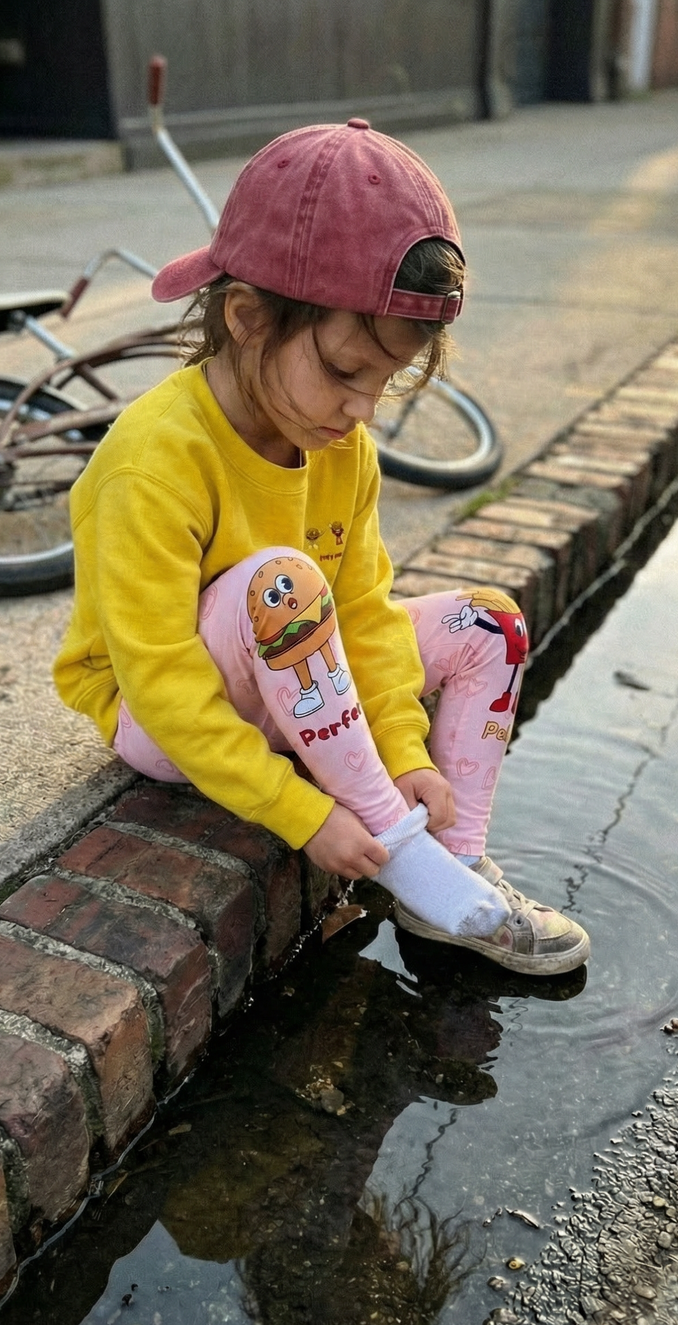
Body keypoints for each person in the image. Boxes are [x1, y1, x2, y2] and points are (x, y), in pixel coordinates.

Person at [53, 118, 589, 976]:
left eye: (386, 381)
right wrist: (299, 811)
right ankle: (402, 847)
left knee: (493, 625)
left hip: (301, 674)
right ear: (247, 317)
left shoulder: (341, 444)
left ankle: (453, 868)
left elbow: (368, 613)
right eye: (345, 371)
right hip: (166, 713)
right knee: (283, 586)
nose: (362, 409)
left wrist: (408, 751)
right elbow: (159, 676)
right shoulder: (153, 460)